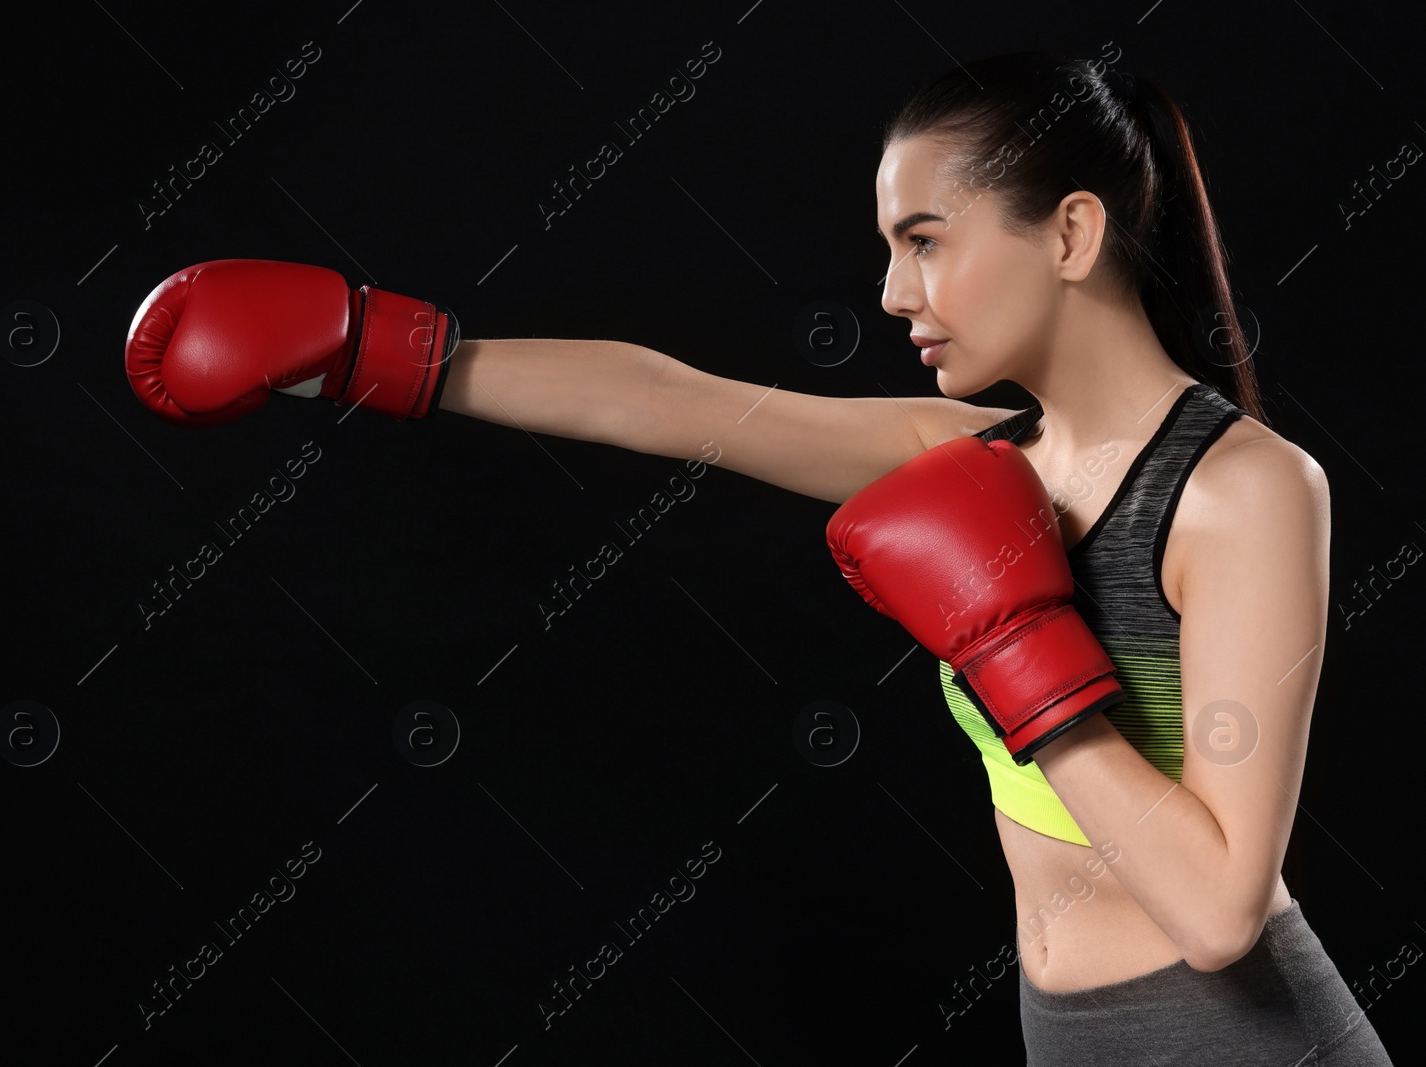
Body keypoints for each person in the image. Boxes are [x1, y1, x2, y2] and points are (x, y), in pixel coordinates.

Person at [124, 50, 1391, 1066]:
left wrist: (1021, 660)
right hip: (1065, 1034)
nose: (893, 292)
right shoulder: (981, 455)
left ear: (1069, 233)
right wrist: (376, 352)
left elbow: (1224, 909)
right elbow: (672, 401)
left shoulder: (1244, 490)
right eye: (891, 248)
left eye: (928, 239)